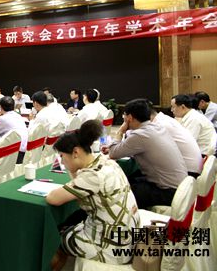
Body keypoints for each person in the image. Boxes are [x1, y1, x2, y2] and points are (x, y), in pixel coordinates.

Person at [47, 120, 139, 268]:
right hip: (127, 239)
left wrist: (71, 169)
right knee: (70, 225)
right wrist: (74, 168)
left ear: (75, 152)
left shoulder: (92, 176)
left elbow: (52, 198)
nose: (62, 162)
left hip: (110, 248)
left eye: (62, 156)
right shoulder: (107, 162)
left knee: (52, 238)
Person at [104, 99, 187, 209]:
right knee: (131, 179)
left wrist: (120, 132)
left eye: (124, 115)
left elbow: (113, 153)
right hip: (182, 187)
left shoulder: (140, 135)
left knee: (119, 191)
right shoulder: (156, 127)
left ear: (129, 117)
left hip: (169, 192)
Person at [148, 101, 202, 177]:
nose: (171, 110)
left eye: (173, 107)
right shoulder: (165, 119)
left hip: (189, 171)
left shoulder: (160, 124)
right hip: (192, 167)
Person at [0, 96, 29, 162]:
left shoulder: (2, 119)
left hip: (16, 153)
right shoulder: (18, 115)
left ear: (1, 107)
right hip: (26, 151)